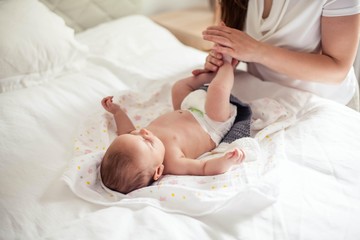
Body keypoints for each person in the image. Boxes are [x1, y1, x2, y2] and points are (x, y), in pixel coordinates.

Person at [100, 56, 246, 194]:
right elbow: (203, 168)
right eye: (147, 141)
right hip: (211, 122)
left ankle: (211, 74)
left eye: (134, 134)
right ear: (158, 171)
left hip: (188, 108)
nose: (143, 131)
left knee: (178, 87)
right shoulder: (173, 163)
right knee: (218, 90)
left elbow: (126, 130)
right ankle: (227, 66)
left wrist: (117, 112)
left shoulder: (138, 144)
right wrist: (226, 161)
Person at [196, 0, 360, 110]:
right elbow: (235, 35)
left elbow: (336, 71)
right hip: (266, 97)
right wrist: (223, 58)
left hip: (323, 104)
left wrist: (256, 51)